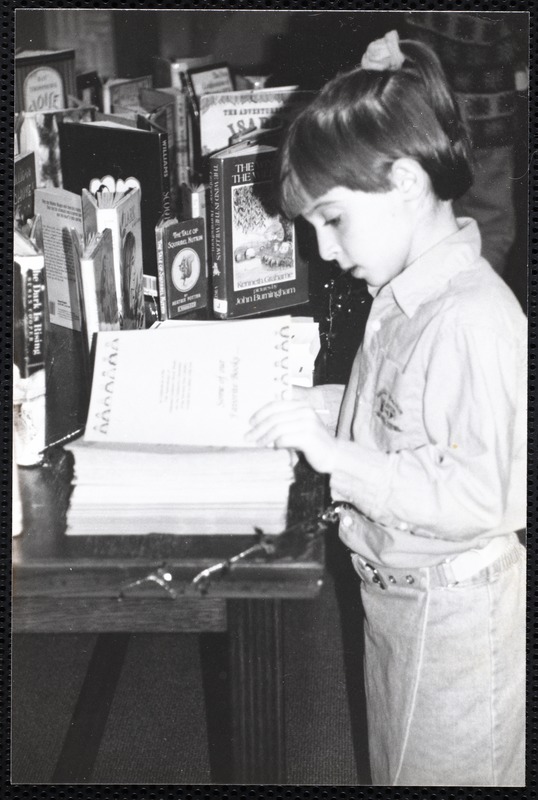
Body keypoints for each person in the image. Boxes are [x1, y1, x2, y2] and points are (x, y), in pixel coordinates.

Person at [247, 31, 526, 787]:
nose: (324, 251)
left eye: (332, 220)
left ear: (405, 180)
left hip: (457, 617)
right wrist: (325, 403)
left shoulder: (471, 320)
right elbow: (397, 415)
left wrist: (340, 459)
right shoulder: (403, 297)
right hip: (401, 598)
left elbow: (484, 494)